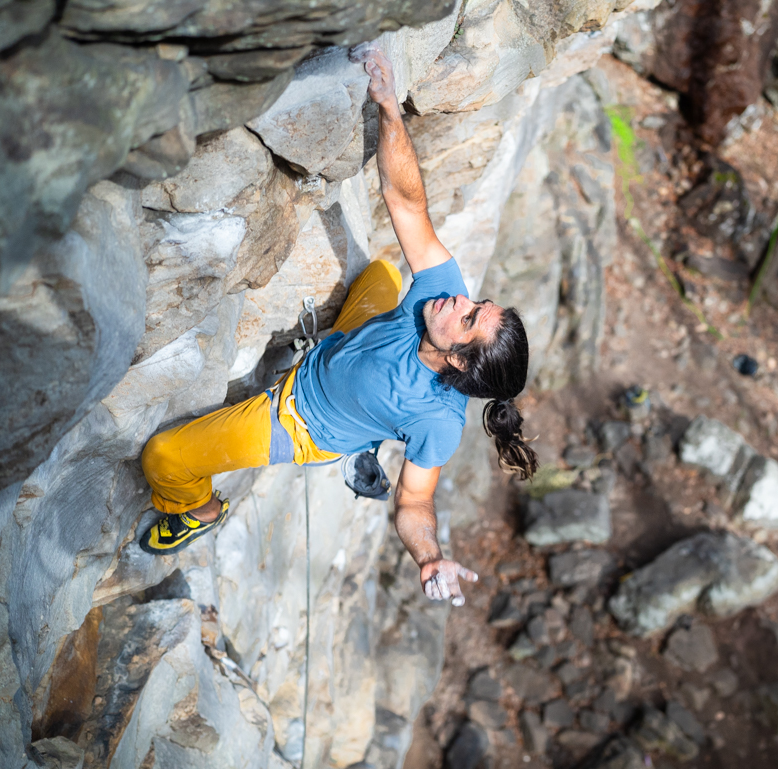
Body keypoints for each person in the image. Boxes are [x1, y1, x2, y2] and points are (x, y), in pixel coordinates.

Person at [138, 48, 538, 608]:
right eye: (478, 303)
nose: (458, 298)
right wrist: (389, 110)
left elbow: (415, 505)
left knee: (163, 458)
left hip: (299, 420)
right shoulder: (439, 296)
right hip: (347, 345)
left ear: (459, 361)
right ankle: (351, 383)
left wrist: (429, 557)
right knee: (378, 271)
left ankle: (198, 511)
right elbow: (406, 201)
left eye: (468, 318)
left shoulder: (436, 423)